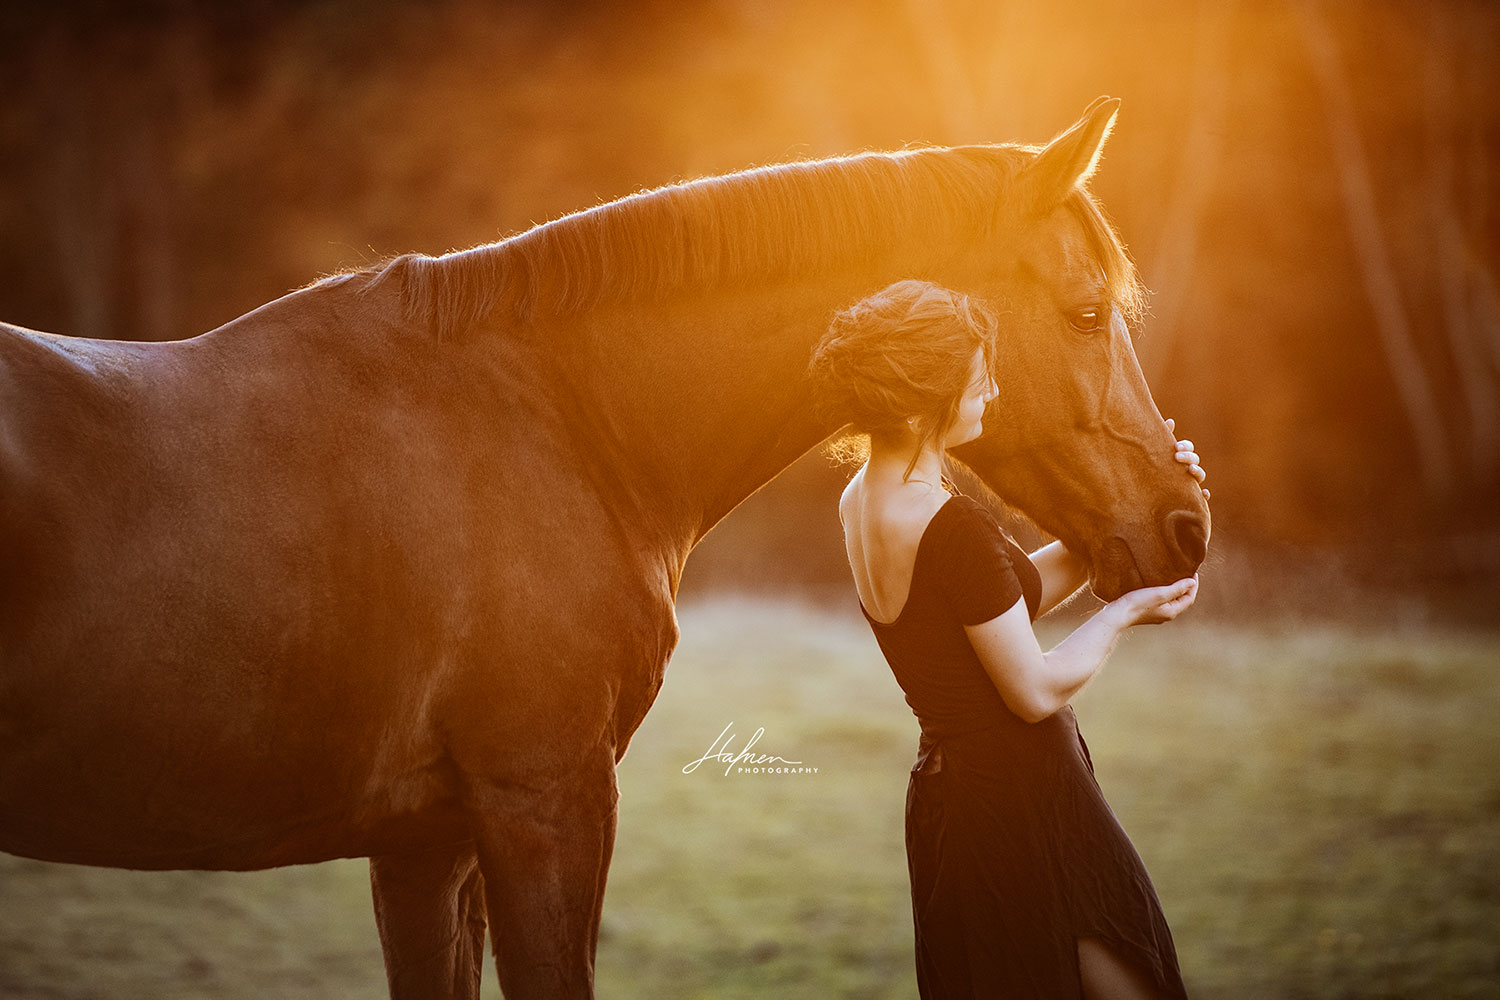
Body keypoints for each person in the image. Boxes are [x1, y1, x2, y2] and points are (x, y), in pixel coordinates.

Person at [806, 279, 1209, 999]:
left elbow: (1008, 593)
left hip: (952, 804)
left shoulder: (863, 499)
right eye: (978, 377)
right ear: (930, 398)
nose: (992, 390)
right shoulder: (947, 523)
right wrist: (1120, 617)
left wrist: (1140, 504)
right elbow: (1032, 690)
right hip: (1021, 800)